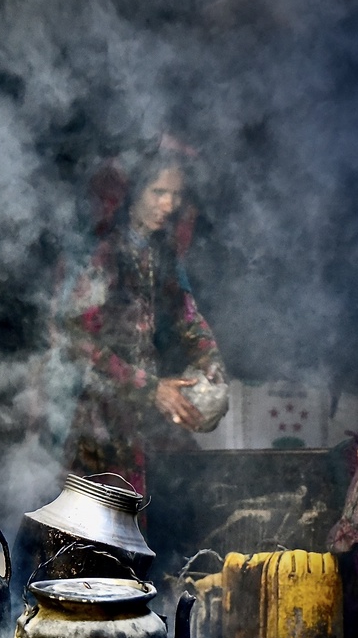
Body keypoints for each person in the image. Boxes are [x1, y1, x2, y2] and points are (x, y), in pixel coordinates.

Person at [48, 137, 227, 496]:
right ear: (133, 193)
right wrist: (150, 387)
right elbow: (75, 340)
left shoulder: (161, 251)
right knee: (93, 528)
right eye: (158, 192)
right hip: (92, 415)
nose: (168, 204)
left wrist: (209, 357)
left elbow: (186, 313)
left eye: (176, 195)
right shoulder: (103, 251)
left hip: (138, 414)